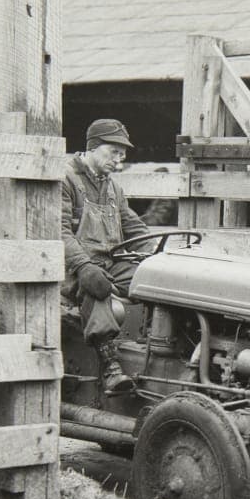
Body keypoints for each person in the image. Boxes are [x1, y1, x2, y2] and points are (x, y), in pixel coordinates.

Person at [62, 118, 150, 393]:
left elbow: (135, 227)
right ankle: (110, 365)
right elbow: (58, 231)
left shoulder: (112, 188)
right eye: (114, 152)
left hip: (109, 263)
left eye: (122, 154)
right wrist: (84, 267)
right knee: (96, 287)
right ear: (93, 147)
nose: (119, 160)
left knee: (151, 277)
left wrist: (153, 257)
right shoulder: (65, 179)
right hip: (70, 269)